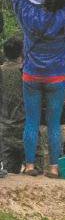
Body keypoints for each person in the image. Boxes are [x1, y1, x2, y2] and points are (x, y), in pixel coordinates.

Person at [8, 0, 65, 178]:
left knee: (31, 121)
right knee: (54, 124)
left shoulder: (30, 13)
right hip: (56, 77)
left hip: (31, 74)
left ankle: (30, 166)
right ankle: (54, 167)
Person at [0, 38, 22, 175]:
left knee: (9, 171)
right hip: (25, 128)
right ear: (22, 52)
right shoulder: (25, 71)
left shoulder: (1, 71)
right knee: (32, 173)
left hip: (4, 128)